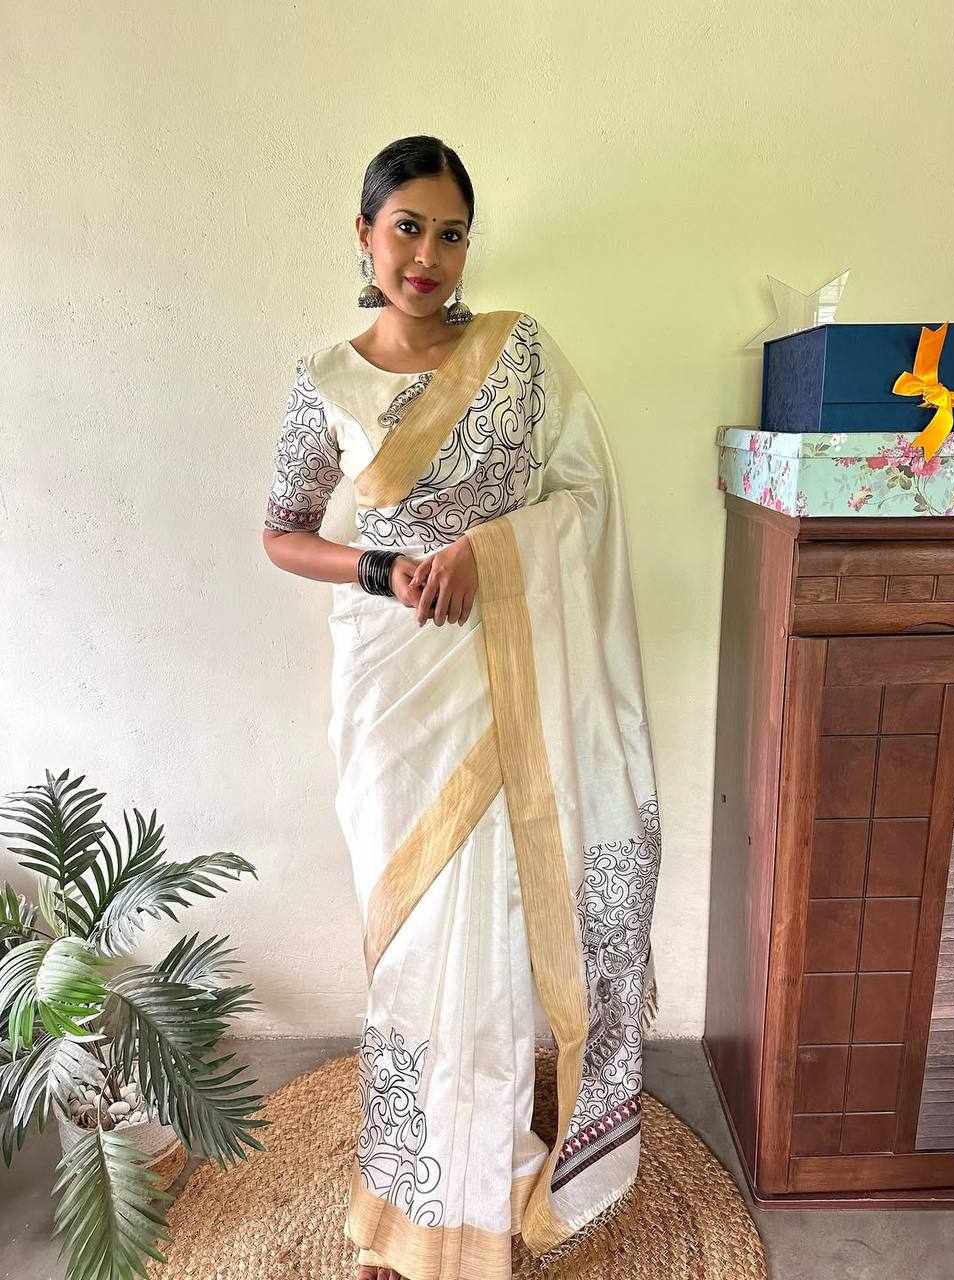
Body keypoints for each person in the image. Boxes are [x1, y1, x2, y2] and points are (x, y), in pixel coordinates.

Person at [262, 135, 662, 1280]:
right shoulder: (325, 379)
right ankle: (405, 1197)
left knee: (489, 953)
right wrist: (382, 566)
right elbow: (283, 532)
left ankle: (474, 1210)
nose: (427, 255)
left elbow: (588, 496)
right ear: (364, 234)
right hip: (394, 692)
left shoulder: (518, 355)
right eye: (407, 228)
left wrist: (490, 550)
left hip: (505, 678)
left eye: (449, 233)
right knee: (411, 950)